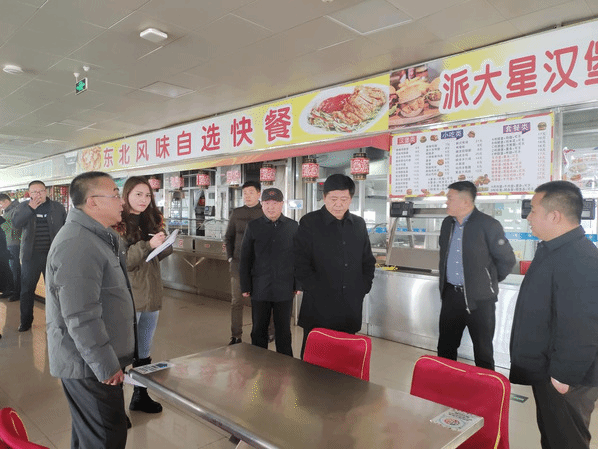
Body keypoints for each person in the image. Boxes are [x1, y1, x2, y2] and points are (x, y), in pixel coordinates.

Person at [46, 171, 135, 449]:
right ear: (92, 202)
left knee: (91, 436)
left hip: (93, 361)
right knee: (105, 438)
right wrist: (105, 365)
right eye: (115, 195)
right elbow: (81, 315)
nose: (122, 201)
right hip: (89, 365)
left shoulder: (96, 237)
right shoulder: (77, 243)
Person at [510, 181, 598, 449]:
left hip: (566, 379)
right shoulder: (554, 249)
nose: (528, 217)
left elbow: (583, 326)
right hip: (548, 369)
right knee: (553, 437)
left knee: (566, 441)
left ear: (555, 216)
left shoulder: (580, 258)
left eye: (533, 210)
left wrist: (564, 376)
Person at [294, 174, 376, 359]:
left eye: (344, 199)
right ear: (324, 198)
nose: (338, 204)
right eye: (333, 199)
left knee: (345, 360)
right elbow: (300, 263)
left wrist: (363, 287)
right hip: (319, 307)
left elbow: (368, 261)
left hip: (349, 307)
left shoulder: (358, 224)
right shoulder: (309, 222)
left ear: (351, 199)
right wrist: (316, 290)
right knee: (314, 361)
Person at [437, 181, 515, 370]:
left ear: (465, 202)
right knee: (445, 348)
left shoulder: (488, 224)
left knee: (483, 352)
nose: (446, 202)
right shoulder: (447, 224)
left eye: (450, 198)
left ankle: (486, 386)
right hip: (451, 297)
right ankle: (445, 383)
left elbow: (507, 260)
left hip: (481, 300)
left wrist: (486, 282)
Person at [115, 176, 172, 414]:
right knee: (122, 353)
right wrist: (148, 246)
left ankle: (140, 396)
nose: (144, 199)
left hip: (150, 295)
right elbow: (124, 262)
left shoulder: (151, 220)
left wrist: (164, 243)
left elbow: (157, 256)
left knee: (144, 351)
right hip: (129, 296)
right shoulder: (117, 223)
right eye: (138, 194)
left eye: (147, 195)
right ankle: (115, 408)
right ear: (126, 195)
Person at [239, 187, 298, 356]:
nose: (271, 207)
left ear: (282, 204)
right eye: (267, 203)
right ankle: (258, 363)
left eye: (275, 203)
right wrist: (245, 286)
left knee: (283, 330)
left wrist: (298, 284)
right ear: (262, 205)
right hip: (260, 287)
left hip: (284, 288)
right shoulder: (253, 226)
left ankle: (285, 364)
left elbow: (299, 257)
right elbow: (245, 258)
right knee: (258, 328)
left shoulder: (293, 226)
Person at [12, 181, 66, 332]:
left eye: (40, 191)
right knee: (27, 290)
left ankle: (56, 321)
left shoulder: (57, 207)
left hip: (53, 256)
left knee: (54, 290)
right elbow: (16, 224)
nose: (37, 195)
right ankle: (25, 322)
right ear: (29, 194)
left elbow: (66, 227)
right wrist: (30, 208)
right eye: (34, 192)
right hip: (31, 257)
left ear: (46, 191)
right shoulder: (23, 207)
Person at [224, 180, 263, 345]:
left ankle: (261, 334)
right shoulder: (236, 213)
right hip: (238, 265)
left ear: (259, 193)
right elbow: (229, 236)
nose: (247, 196)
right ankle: (236, 335)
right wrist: (230, 257)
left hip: (259, 266)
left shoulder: (264, 212)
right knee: (236, 301)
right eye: (245, 193)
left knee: (260, 302)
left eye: (251, 192)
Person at [0, 193, 22, 302]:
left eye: (1, 204)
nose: (1, 207)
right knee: (10, 269)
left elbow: (15, 225)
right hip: (8, 243)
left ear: (6, 201)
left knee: (15, 268)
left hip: (14, 243)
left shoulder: (16, 209)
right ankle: (10, 290)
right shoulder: (8, 210)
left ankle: (17, 293)